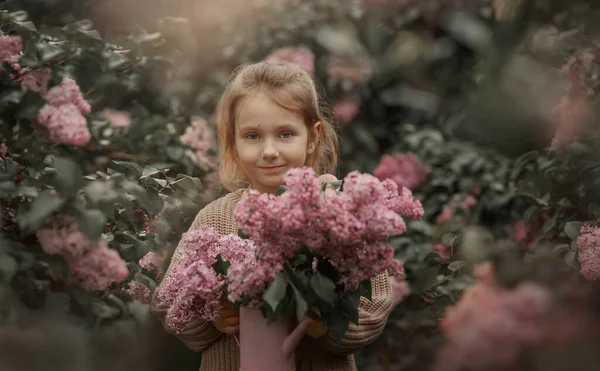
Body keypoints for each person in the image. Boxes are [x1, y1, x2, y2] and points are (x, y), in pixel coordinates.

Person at [151, 62, 393, 371]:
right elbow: (170, 303)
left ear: (313, 136)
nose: (268, 150)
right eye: (252, 136)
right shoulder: (214, 219)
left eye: (285, 134)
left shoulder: (340, 213)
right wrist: (214, 317)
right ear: (233, 141)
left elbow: (375, 305)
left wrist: (321, 323)